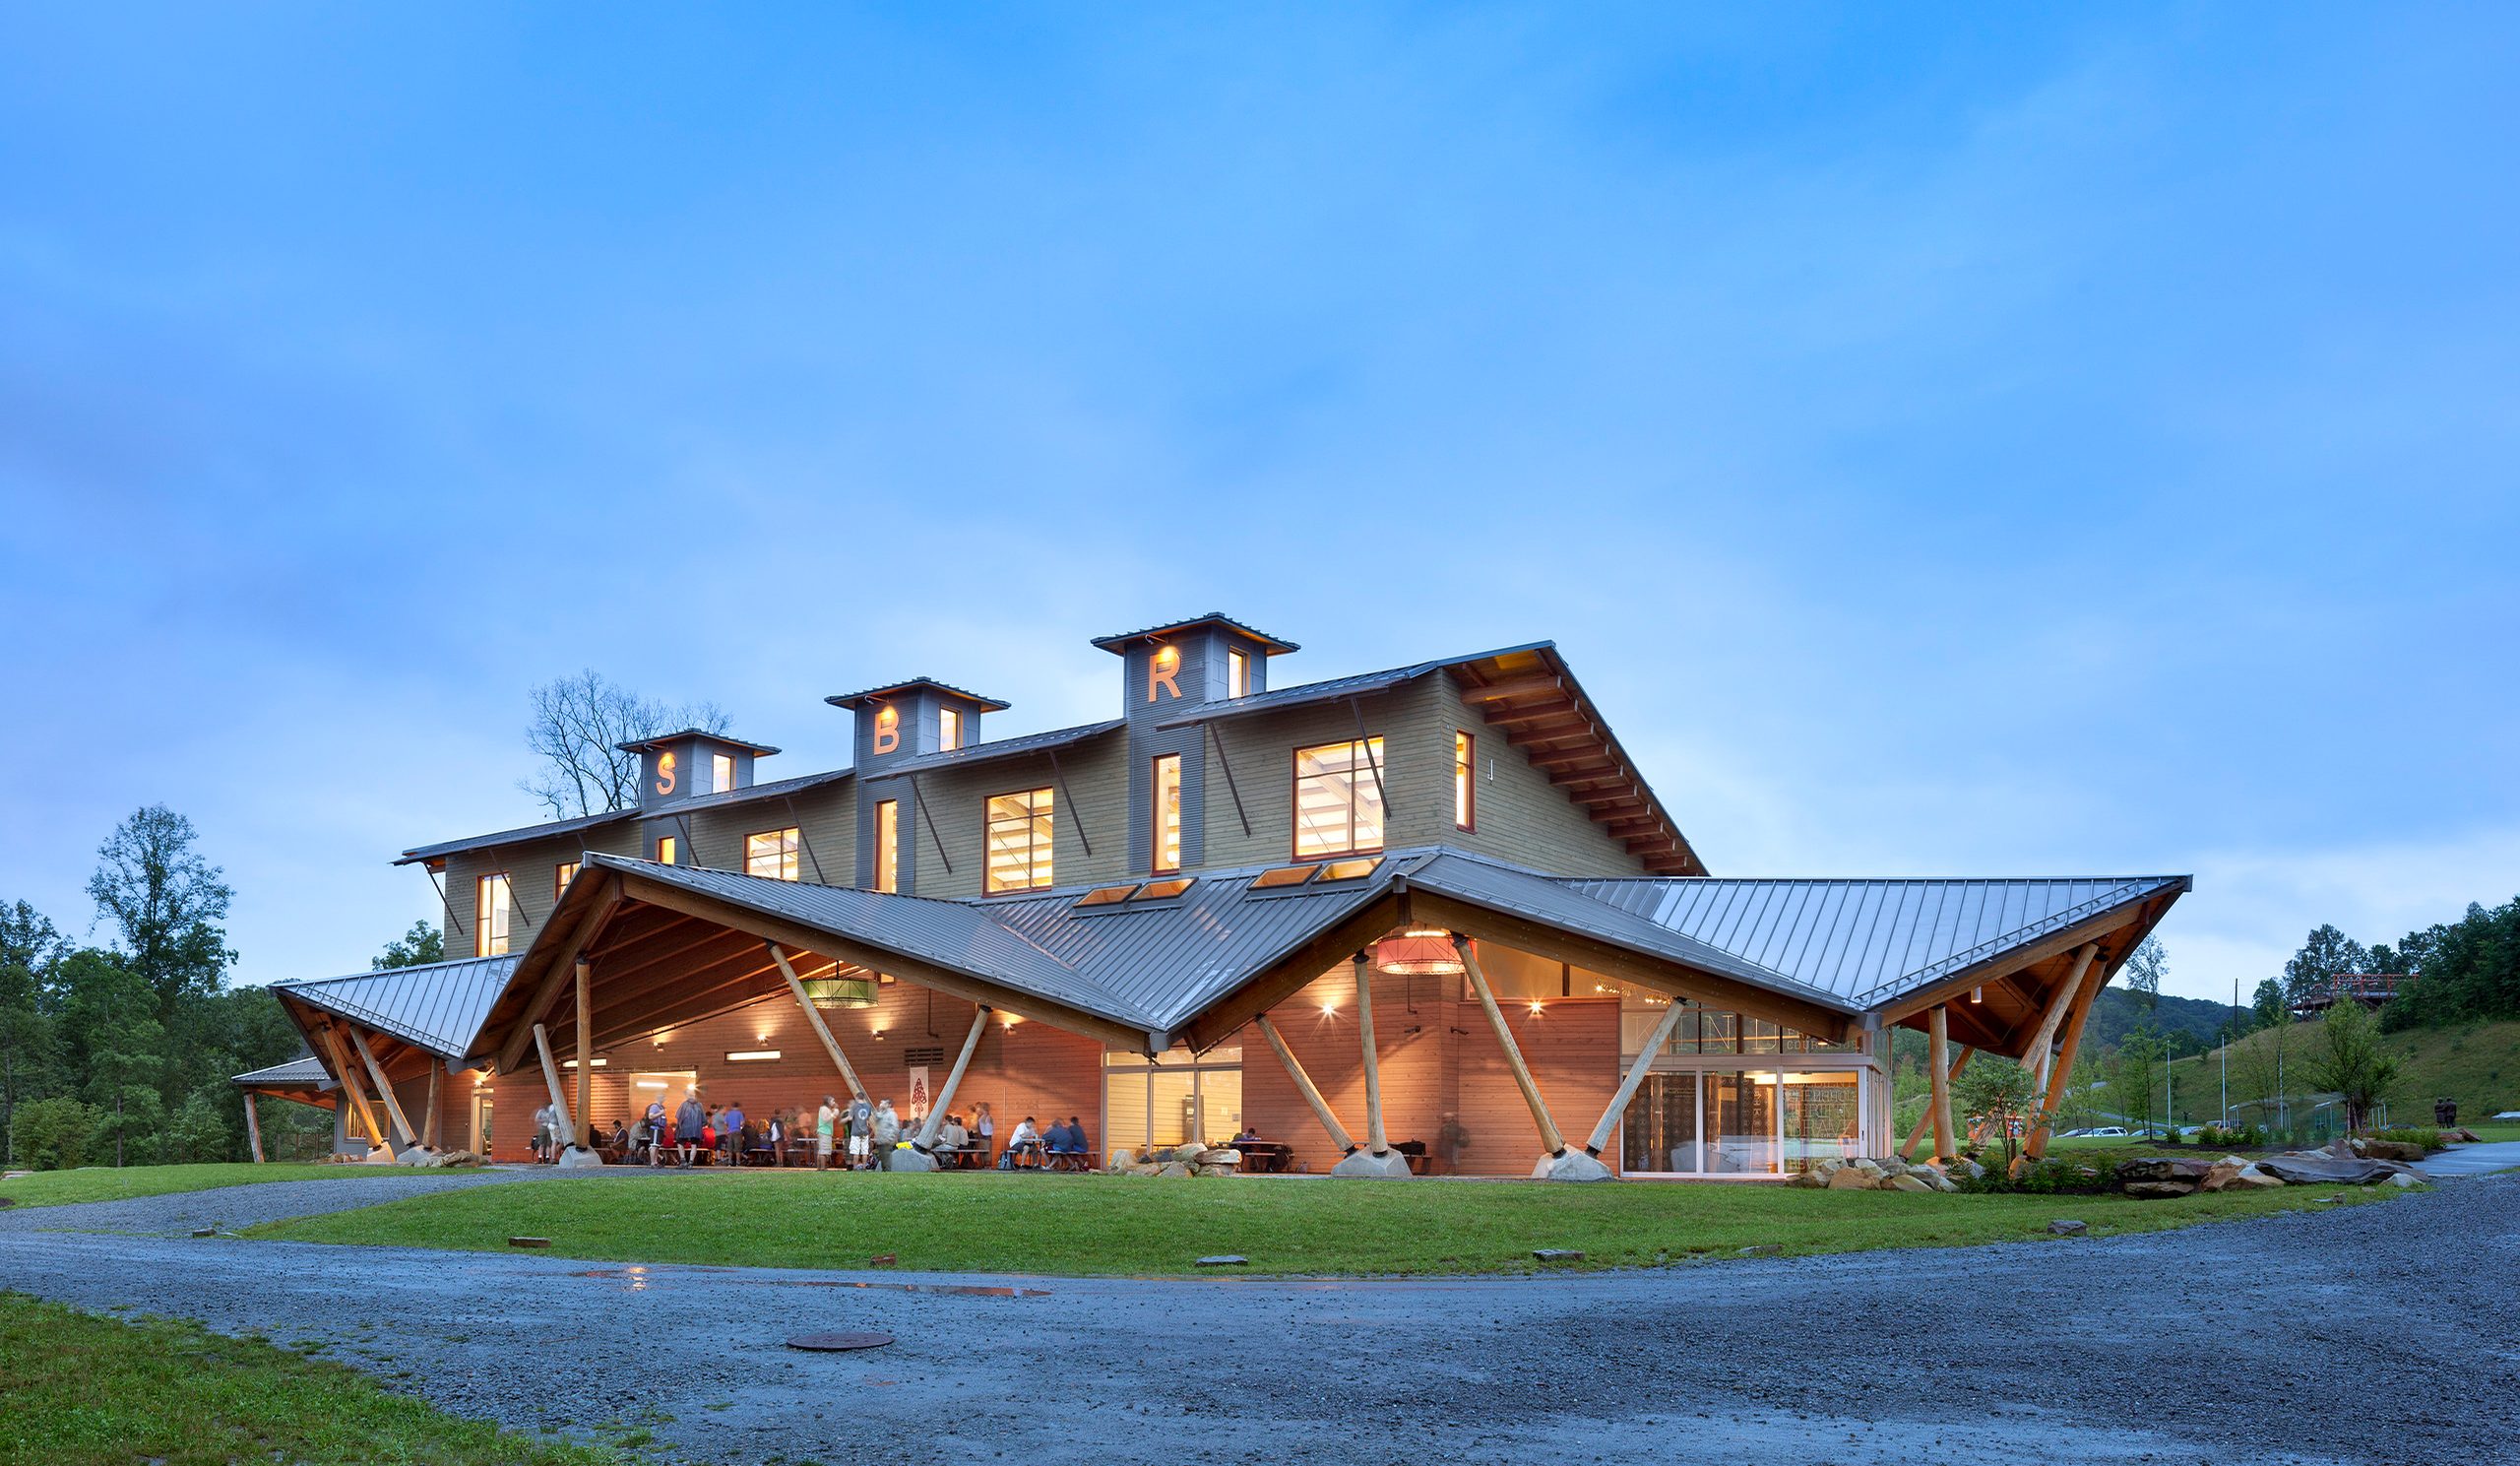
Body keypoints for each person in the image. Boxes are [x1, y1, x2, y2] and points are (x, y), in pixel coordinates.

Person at [674, 1093, 706, 1169]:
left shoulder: (684, 1104)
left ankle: (683, 1161)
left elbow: (678, 1116)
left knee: (680, 1142)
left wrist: (678, 1126)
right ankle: (691, 1163)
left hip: (684, 1129)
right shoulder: (700, 1105)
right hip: (696, 1130)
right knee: (694, 1145)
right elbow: (704, 1119)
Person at [847, 1093, 875, 1170]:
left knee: (856, 1151)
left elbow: (849, 1118)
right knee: (865, 1151)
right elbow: (868, 1118)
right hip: (865, 1132)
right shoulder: (868, 1106)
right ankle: (864, 1167)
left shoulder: (854, 1107)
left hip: (855, 1132)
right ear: (863, 1098)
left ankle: (855, 1168)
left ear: (857, 1098)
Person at [815, 1095, 840, 1172]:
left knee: (821, 1150)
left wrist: (834, 1112)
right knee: (823, 1151)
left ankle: (819, 1167)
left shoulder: (825, 1109)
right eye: (833, 1101)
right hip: (824, 1132)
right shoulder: (824, 1109)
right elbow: (826, 1119)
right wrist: (833, 1113)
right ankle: (823, 1168)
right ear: (828, 1102)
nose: (834, 1102)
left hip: (824, 1132)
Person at [721, 1101, 747, 1167]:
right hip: (737, 1131)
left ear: (732, 1107)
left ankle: (730, 1162)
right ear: (738, 1107)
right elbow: (742, 1123)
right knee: (737, 1148)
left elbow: (725, 1123)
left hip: (730, 1132)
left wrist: (728, 1128)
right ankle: (738, 1162)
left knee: (730, 1148)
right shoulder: (740, 1113)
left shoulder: (728, 1114)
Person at [974, 1102, 995, 1167]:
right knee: (984, 1152)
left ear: (983, 1109)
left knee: (986, 1152)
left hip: (985, 1136)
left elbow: (987, 1128)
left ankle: (986, 1165)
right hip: (985, 1136)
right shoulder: (986, 1117)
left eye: (981, 1108)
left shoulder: (987, 1117)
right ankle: (984, 1165)